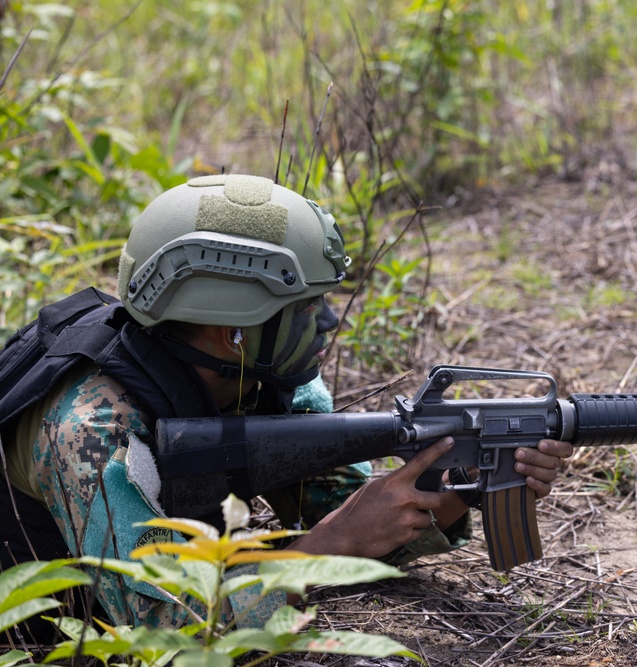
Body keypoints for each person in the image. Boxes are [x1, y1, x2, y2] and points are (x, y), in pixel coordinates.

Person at [0, 174, 574, 635]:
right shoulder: (90, 427)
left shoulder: (269, 379)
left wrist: (456, 486)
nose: (328, 321)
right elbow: (165, 632)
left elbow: (354, 517)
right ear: (236, 332)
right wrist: (324, 547)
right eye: (307, 307)